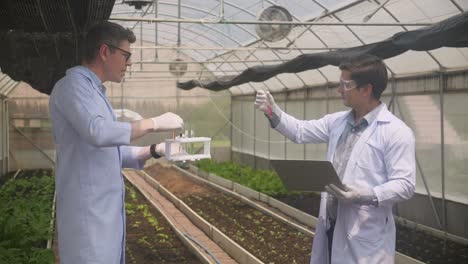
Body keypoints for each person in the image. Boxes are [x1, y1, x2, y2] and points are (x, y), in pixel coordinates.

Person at [255, 54, 416, 264]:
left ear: (365, 89)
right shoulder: (338, 122)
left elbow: (405, 185)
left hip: (365, 236)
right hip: (332, 225)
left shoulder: (395, 132)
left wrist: (363, 195)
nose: (339, 90)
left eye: (345, 84)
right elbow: (300, 131)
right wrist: (272, 111)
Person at [49, 21, 183, 264]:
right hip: (88, 217)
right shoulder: (72, 86)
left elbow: (109, 150)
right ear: (104, 52)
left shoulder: (95, 92)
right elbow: (99, 132)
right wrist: (152, 122)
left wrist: (155, 150)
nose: (129, 63)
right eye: (126, 55)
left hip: (103, 216)